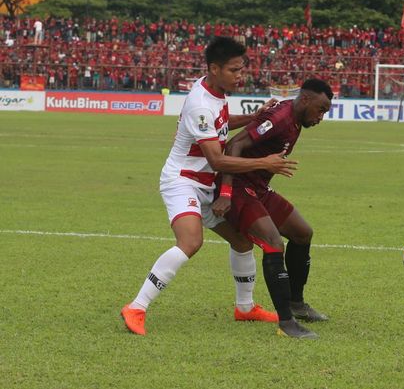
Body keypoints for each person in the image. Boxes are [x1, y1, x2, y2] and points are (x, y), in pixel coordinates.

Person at [121, 37, 296, 336]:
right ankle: (136, 307)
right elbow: (217, 159)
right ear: (214, 68)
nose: (240, 75)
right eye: (234, 70)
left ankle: (245, 308)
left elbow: (222, 126)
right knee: (191, 242)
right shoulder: (201, 105)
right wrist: (264, 163)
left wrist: (254, 117)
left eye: (242, 69)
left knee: (242, 242)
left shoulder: (215, 91)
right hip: (182, 182)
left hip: (204, 184)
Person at [213, 78, 333, 339]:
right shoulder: (279, 117)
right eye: (321, 110)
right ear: (306, 100)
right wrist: (224, 193)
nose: (321, 117)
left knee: (303, 233)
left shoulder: (296, 118)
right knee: (273, 242)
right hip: (237, 188)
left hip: (258, 189)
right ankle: (287, 322)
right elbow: (234, 145)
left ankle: (295, 303)